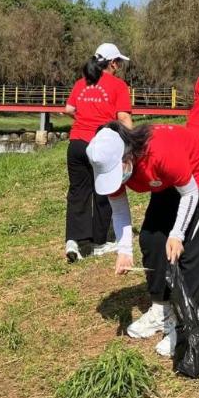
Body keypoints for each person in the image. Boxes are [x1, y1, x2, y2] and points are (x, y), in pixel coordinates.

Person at [86, 122, 199, 358]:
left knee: (192, 253)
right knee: (151, 238)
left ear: (128, 154)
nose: (116, 179)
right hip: (170, 181)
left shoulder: (159, 152)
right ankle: (162, 310)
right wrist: (124, 250)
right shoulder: (107, 165)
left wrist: (177, 234)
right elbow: (119, 210)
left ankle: (185, 324)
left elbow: (190, 192)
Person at [62, 43, 134, 263]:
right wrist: (131, 145)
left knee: (78, 191)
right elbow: (123, 117)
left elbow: (69, 109)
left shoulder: (81, 83)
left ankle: (74, 240)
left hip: (76, 144)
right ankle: (99, 242)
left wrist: (84, 119)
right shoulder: (118, 85)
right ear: (112, 63)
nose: (119, 66)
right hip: (101, 144)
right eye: (118, 62)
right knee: (104, 190)